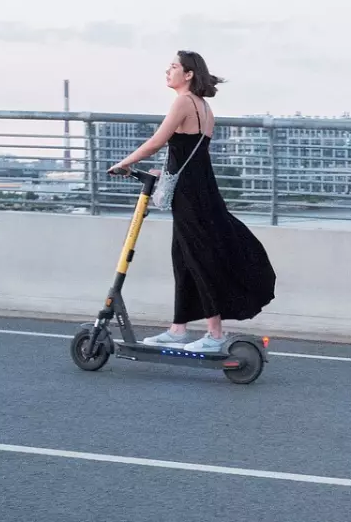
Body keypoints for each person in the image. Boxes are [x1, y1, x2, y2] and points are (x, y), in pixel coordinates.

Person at [108, 50, 276, 353]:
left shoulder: (183, 102)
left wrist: (124, 163)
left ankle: (214, 335)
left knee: (197, 258)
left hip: (189, 194)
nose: (167, 71)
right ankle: (178, 328)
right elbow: (192, 155)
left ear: (188, 75)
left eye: (173, 67)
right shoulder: (205, 107)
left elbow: (158, 141)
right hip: (201, 187)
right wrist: (165, 171)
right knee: (183, 257)